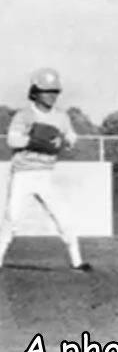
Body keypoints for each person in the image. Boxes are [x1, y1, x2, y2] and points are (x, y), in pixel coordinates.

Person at [0, 68, 92, 271]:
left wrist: (67, 141)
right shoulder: (24, 115)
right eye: (47, 91)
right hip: (23, 174)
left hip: (46, 175)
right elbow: (12, 140)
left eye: (55, 91)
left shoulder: (61, 117)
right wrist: (37, 140)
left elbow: (71, 138)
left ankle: (77, 261)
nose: (52, 95)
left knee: (63, 217)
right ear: (35, 92)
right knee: (11, 218)